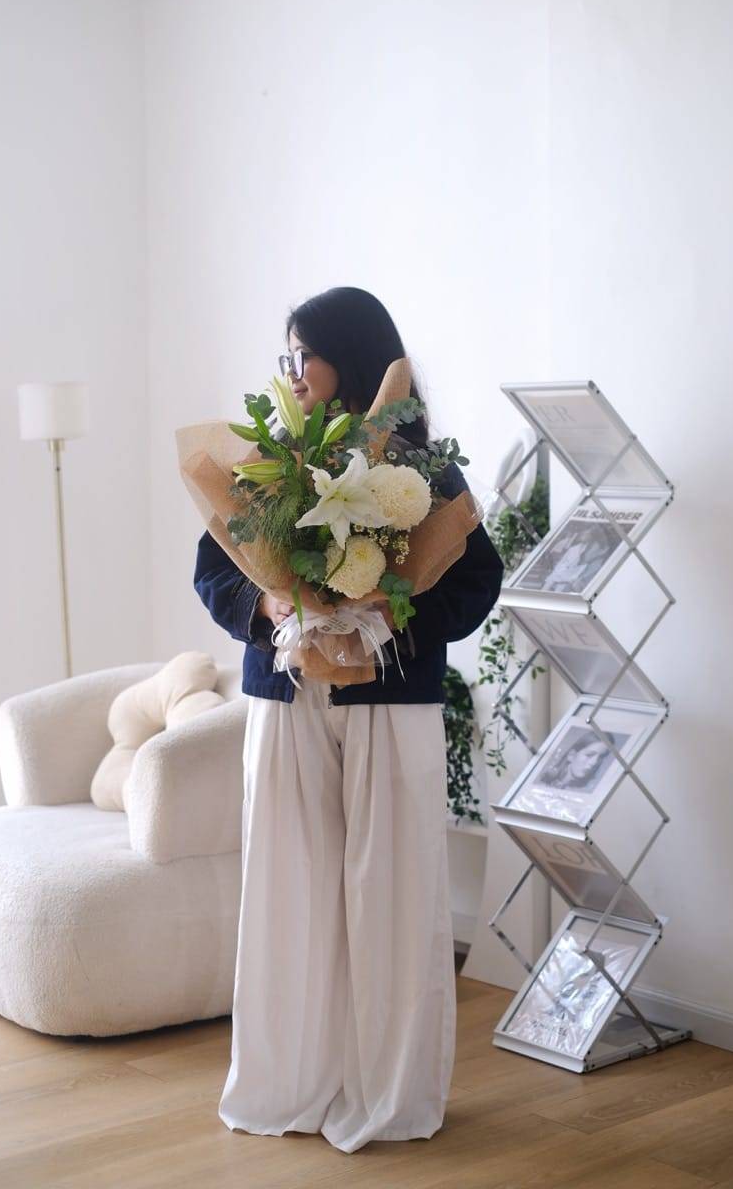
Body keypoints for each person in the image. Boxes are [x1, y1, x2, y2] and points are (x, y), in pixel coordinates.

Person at [193, 286, 504, 1154]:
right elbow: (214, 568)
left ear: (352, 355)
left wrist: (388, 616)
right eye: (287, 355)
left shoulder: (418, 469)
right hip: (284, 693)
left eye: (306, 353)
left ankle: (389, 1096)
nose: (292, 370)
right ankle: (289, 1084)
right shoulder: (264, 459)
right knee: (285, 889)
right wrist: (268, 609)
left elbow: (475, 577)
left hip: (389, 701)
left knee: (392, 895)